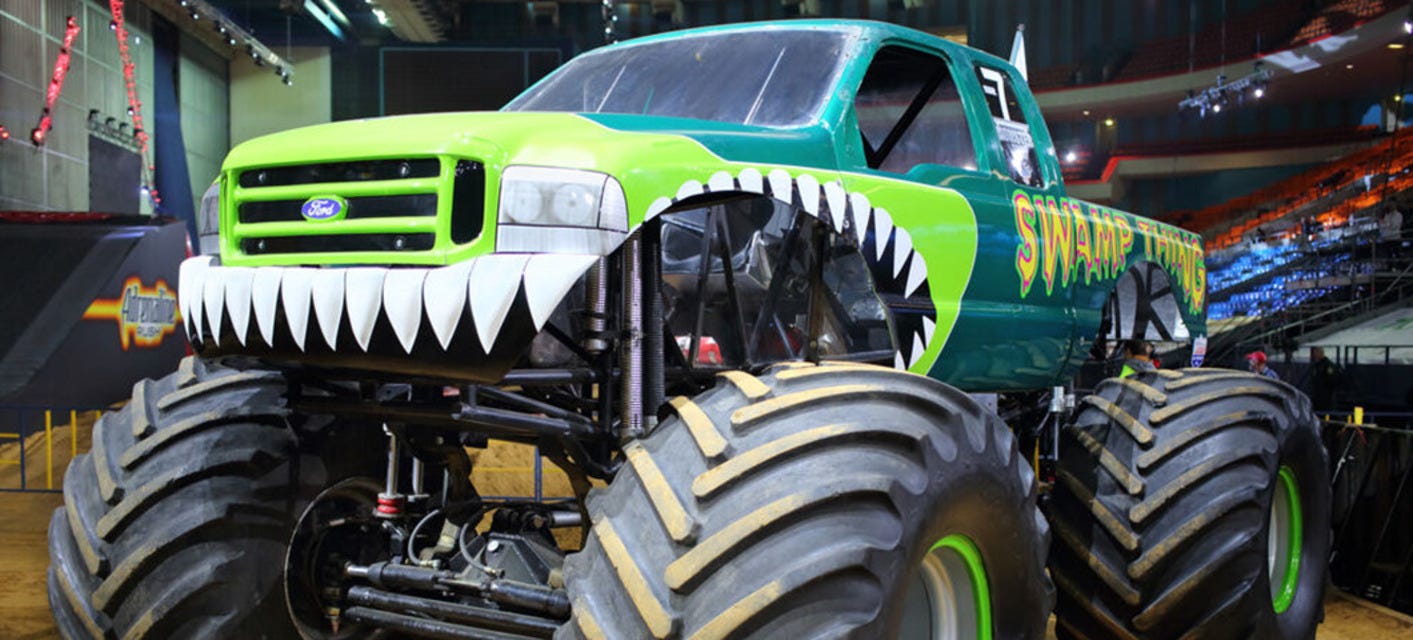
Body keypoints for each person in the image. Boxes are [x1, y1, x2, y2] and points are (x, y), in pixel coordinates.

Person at [1306, 346, 1343, 412]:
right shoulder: (1316, 366)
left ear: (1321, 353)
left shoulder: (1328, 365)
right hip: (1316, 396)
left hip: (1326, 397)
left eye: (1316, 353)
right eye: (1314, 353)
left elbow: (1333, 380)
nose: (1315, 355)